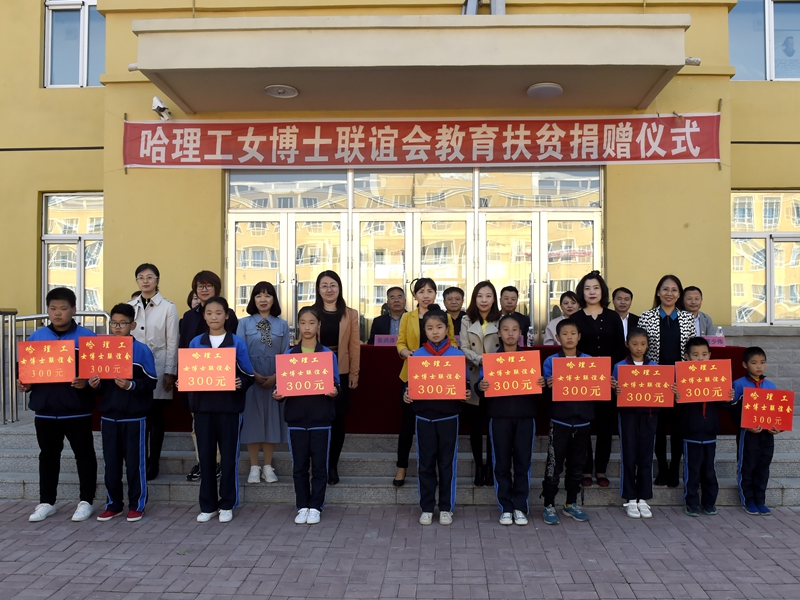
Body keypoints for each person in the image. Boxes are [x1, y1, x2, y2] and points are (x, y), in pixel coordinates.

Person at [18, 287, 98, 523]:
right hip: (45, 410)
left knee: (84, 455)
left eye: (63, 308)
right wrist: (25, 385)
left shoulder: (87, 338)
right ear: (47, 310)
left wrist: (86, 382)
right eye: (53, 308)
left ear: (74, 310)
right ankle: (47, 502)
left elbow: (98, 375)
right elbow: (27, 374)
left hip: (77, 410)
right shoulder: (36, 338)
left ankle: (86, 501)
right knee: (48, 456)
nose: (58, 313)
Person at [187, 296, 254, 523]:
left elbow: (248, 375)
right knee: (206, 458)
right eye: (209, 313)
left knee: (228, 459)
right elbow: (189, 372)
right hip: (203, 409)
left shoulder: (237, 343)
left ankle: (227, 504)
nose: (213, 317)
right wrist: (184, 381)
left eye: (218, 313)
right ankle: (207, 506)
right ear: (204, 316)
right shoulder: (196, 342)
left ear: (226, 315)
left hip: (229, 409)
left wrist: (240, 382)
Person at [273, 307, 341, 525]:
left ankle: (316, 506)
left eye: (312, 322)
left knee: (320, 467)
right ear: (298, 326)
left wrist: (334, 391)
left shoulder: (327, 355)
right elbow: (280, 388)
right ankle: (302, 505)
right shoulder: (289, 356)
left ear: (319, 325)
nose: (307, 327)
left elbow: (336, 385)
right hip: (296, 420)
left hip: (321, 419)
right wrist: (277, 395)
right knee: (299, 467)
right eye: (303, 323)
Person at [90, 304, 158, 522]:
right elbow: (101, 387)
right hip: (109, 416)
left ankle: (137, 505)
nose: (117, 327)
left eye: (122, 323)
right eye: (114, 323)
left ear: (133, 325)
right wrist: (95, 385)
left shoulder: (142, 350)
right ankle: (113, 504)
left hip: (135, 417)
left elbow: (151, 382)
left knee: (135, 464)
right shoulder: (102, 350)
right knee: (111, 464)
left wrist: (131, 385)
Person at [403, 310, 469, 526]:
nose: (435, 332)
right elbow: (410, 385)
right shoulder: (417, 355)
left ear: (447, 329)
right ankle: (427, 507)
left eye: (439, 327)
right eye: (430, 328)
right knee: (426, 464)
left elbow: (465, 385)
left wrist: (466, 392)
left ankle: (446, 507)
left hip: (449, 417)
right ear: (424, 330)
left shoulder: (457, 356)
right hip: (424, 417)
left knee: (447, 463)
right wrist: (406, 394)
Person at [475, 315, 537, 526]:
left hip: (525, 417)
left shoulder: (529, 359)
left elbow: (540, 388)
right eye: (506, 329)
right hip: (499, 417)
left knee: (522, 463)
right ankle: (506, 507)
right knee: (501, 463)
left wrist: (541, 382)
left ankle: (520, 506)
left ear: (520, 333)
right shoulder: (491, 360)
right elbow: (480, 385)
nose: (510, 333)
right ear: (499, 334)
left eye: (514, 329)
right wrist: (481, 387)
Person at [395, 278, 457, 486]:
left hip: (439, 376)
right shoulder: (407, 317)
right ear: (415, 296)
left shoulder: (444, 316)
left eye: (430, 291)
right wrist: (408, 354)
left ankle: (438, 470)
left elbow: (452, 341)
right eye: (421, 291)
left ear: (435, 294)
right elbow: (400, 343)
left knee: (436, 423)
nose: (426, 295)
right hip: (412, 374)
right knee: (407, 424)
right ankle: (401, 468)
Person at [179, 271, 239, 482]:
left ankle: (219, 464)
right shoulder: (189, 316)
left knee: (219, 428)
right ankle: (204, 462)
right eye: (199, 286)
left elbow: (232, 348)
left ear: (216, 288)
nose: (203, 289)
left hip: (221, 381)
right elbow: (184, 347)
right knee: (197, 426)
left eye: (208, 286)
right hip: (196, 382)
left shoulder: (228, 314)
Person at [638, 275, 696, 487]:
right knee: (659, 428)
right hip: (656, 380)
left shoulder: (687, 318)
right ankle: (662, 468)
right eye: (665, 289)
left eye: (674, 290)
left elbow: (692, 351)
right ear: (658, 292)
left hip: (680, 380)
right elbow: (641, 349)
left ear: (679, 294)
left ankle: (674, 469)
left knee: (679, 428)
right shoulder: (646, 317)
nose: (669, 293)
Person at [569, 271, 625, 488]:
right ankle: (585, 469)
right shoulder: (575, 319)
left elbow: (620, 349)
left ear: (602, 291)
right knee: (583, 426)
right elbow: (571, 349)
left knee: (604, 427)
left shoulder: (613, 317)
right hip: (583, 380)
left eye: (596, 288)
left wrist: (614, 375)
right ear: (581, 293)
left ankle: (601, 469)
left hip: (608, 380)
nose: (592, 292)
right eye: (587, 288)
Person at [128, 263, 179, 481]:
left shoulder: (168, 307)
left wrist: (170, 371)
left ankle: (153, 461)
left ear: (157, 280)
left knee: (156, 415)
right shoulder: (129, 306)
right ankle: (139, 459)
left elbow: (172, 340)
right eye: (141, 277)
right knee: (137, 414)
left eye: (150, 277)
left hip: (159, 365)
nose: (145, 281)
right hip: (134, 368)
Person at [538, 319, 593, 525]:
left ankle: (571, 503)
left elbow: (596, 389)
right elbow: (546, 390)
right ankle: (549, 504)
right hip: (559, 420)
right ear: (557, 338)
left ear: (579, 337)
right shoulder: (551, 361)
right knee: (554, 464)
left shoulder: (589, 361)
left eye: (573, 333)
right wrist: (548, 384)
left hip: (583, 421)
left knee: (577, 465)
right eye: (565, 334)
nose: (569, 337)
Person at [237, 282, 290, 485]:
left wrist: (277, 376)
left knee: (271, 421)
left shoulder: (282, 325)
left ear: (274, 299)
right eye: (258, 295)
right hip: (251, 378)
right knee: (252, 421)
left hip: (275, 377)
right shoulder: (244, 323)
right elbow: (240, 352)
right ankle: (254, 466)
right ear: (253, 299)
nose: (263, 299)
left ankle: (268, 466)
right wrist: (254, 375)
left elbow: (286, 353)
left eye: (267, 295)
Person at [678, 337, 734, 517]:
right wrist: (677, 397)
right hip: (691, 433)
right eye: (695, 355)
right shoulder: (682, 378)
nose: (700, 358)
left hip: (710, 432)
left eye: (704, 354)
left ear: (710, 355)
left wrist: (727, 397)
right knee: (692, 471)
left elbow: (722, 405)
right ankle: (691, 503)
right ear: (687, 357)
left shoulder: (716, 377)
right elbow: (676, 408)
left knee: (710, 471)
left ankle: (709, 503)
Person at [312, 270, 360, 486]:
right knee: (318, 418)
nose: (329, 289)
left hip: (340, 371)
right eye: (324, 286)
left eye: (333, 285)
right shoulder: (311, 312)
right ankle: (318, 464)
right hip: (315, 371)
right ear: (318, 289)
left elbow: (354, 346)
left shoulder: (350, 314)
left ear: (339, 288)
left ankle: (332, 465)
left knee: (338, 419)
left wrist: (354, 373)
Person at [611, 327, 658, 519]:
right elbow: (613, 392)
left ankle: (644, 498)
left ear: (647, 345)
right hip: (628, 415)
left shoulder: (654, 366)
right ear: (627, 344)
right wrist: (615, 390)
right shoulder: (620, 366)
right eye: (635, 344)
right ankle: (630, 498)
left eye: (643, 344)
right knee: (629, 454)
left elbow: (660, 390)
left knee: (646, 455)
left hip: (649, 414)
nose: (639, 348)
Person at [459, 281, 502, 486]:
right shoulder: (466, 320)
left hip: (497, 379)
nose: (484, 300)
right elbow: (463, 346)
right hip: (474, 374)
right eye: (480, 296)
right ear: (474, 298)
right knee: (475, 428)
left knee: (494, 427)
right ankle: (479, 466)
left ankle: (491, 467)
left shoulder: (502, 319)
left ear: (494, 299)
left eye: (488, 296)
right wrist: (479, 359)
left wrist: (493, 362)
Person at [732, 347, 779, 516]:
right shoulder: (738, 384)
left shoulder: (770, 386)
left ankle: (760, 500)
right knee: (747, 466)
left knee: (763, 467)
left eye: (762, 363)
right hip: (748, 434)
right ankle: (748, 500)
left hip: (767, 435)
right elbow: (731, 410)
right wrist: (744, 425)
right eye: (754, 363)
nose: (759, 366)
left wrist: (777, 427)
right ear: (745, 364)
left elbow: (777, 412)